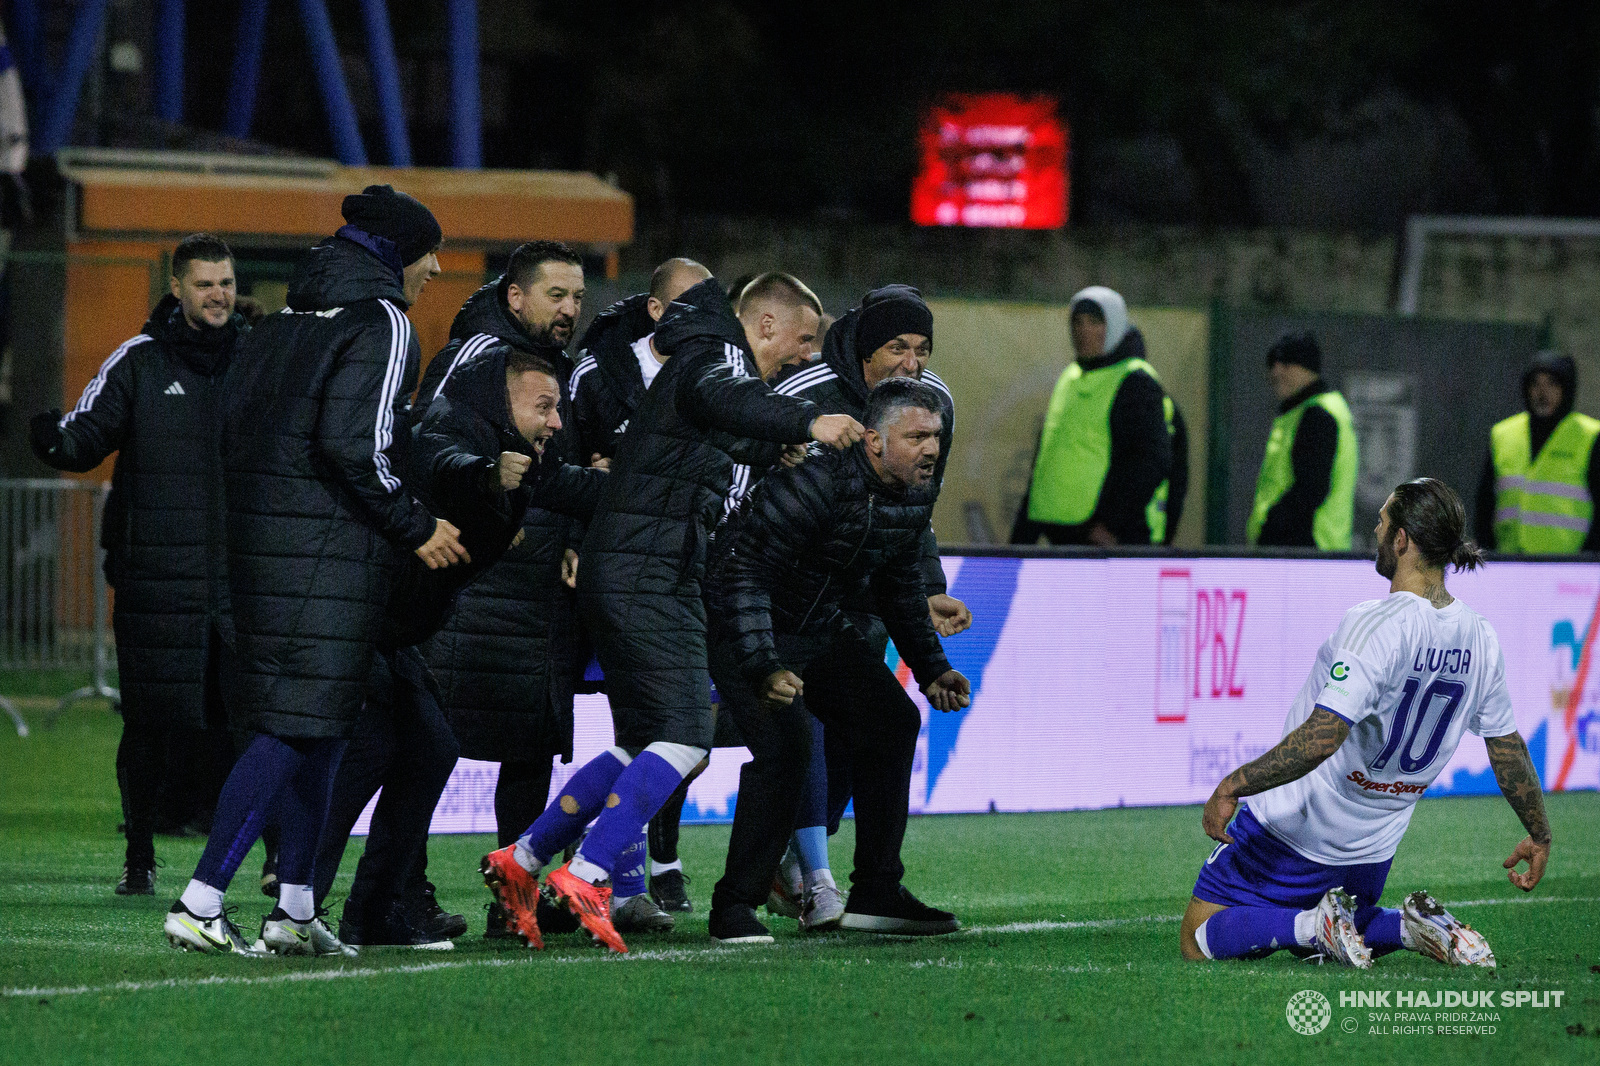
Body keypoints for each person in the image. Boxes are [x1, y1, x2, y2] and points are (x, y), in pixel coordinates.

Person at [479, 272, 863, 954]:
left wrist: (766, 446)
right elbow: (721, 400)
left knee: (646, 741)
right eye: (804, 340)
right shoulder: (716, 355)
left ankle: (526, 860)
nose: (809, 358)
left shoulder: (707, 360)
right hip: (648, 573)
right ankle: (592, 873)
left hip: (632, 564)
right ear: (765, 326)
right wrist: (806, 420)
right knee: (686, 738)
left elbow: (695, 435)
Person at [162, 185, 466, 956]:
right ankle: (201, 899)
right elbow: (352, 444)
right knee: (293, 727)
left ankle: (295, 909)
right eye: (429, 250)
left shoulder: (285, 321)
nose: (435, 266)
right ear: (399, 253)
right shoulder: (384, 321)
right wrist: (417, 522)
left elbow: (238, 431)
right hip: (327, 559)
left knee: (324, 728)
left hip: (263, 554)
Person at [1180, 477, 1551, 967]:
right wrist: (1540, 833)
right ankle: (1405, 926)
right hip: (1372, 855)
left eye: (1382, 521)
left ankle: (1315, 926)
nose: (1375, 530)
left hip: (1297, 830)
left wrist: (1234, 784)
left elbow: (1322, 737)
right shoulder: (1482, 637)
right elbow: (1507, 751)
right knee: (1339, 927)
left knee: (1198, 937)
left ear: (1402, 540)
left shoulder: (1376, 622)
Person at [315, 346, 606, 950]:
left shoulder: (523, 456)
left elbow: (574, 488)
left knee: (429, 748)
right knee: (369, 757)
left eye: (558, 408)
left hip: (396, 633)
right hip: (359, 622)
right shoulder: (450, 426)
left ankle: (369, 911)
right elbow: (442, 460)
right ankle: (298, 900)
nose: (557, 422)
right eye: (543, 407)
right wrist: (485, 476)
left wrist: (653, 485)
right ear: (502, 403)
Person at [706, 377, 971, 943]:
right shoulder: (811, 484)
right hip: (737, 626)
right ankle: (734, 905)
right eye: (918, 435)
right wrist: (763, 665)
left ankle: (876, 892)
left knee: (892, 721)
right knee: (787, 752)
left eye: (937, 436)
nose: (932, 448)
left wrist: (931, 668)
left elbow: (899, 585)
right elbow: (741, 574)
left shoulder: (913, 493)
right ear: (873, 441)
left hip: (814, 626)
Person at [411, 241, 622, 936]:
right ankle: (401, 890)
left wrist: (573, 541)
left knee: (529, 748)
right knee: (433, 741)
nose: (569, 309)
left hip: (540, 595)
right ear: (515, 297)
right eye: (555, 295)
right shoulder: (475, 356)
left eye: (576, 297)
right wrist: (487, 504)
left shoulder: (564, 370)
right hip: (473, 581)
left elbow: (569, 465)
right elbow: (427, 444)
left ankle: (514, 900)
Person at [30, 234, 248, 897]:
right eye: (205, 283)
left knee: (254, 725)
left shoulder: (260, 360)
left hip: (242, 583)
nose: (218, 295)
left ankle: (265, 861)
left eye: (227, 283)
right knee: (151, 724)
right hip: (157, 583)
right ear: (176, 288)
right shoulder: (140, 361)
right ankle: (141, 856)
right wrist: (57, 443)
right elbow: (87, 432)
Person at [768, 285, 970, 927]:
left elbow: (913, 514)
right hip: (771, 600)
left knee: (874, 721)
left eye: (921, 349)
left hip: (847, 598)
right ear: (862, 353)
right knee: (797, 731)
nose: (912, 363)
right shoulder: (802, 398)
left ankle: (847, 883)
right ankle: (679, 875)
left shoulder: (930, 404)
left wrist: (928, 593)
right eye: (896, 348)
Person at [570, 255, 715, 915]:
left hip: (676, 568)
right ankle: (608, 875)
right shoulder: (600, 373)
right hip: (619, 571)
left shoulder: (713, 374)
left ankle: (611, 873)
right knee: (669, 730)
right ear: (655, 310)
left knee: (653, 734)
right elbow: (562, 460)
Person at [1010, 285, 1175, 546]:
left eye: (1095, 322)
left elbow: (1151, 460)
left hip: (1100, 541)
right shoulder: (1070, 376)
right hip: (1056, 536)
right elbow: (1047, 460)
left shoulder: (1135, 381)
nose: (1083, 331)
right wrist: (1022, 537)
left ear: (1116, 325)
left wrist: (1110, 524)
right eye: (1077, 322)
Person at [1475, 349, 1600, 554]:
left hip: (1568, 567)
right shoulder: (1503, 434)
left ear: (1566, 388)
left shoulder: (1590, 436)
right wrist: (1489, 554)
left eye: (1551, 384)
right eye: (1536, 384)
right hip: (1509, 561)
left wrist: (1589, 559)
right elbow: (1485, 504)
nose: (1542, 393)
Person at [1245, 332, 1358, 550]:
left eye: (1281, 364)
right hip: (1319, 547)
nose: (1275, 373)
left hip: (1302, 549)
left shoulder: (1316, 415)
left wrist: (1270, 528)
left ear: (1297, 367)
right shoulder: (1330, 409)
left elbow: (1310, 489)